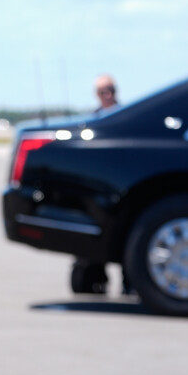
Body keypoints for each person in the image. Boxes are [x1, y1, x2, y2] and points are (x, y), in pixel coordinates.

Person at [71, 74, 120, 294]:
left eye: (111, 90)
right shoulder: (90, 123)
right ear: (97, 95)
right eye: (102, 91)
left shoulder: (126, 118)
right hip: (96, 189)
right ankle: (93, 279)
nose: (107, 95)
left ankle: (130, 284)